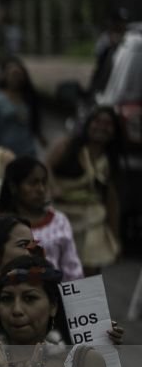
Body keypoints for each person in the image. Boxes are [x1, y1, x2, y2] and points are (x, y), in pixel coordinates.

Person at [0, 158, 83, 281]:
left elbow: (72, 270)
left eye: (43, 182)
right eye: (32, 183)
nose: (41, 189)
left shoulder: (59, 221)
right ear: (14, 187)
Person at [47, 106, 123, 274]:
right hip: (62, 213)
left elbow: (112, 201)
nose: (102, 127)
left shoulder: (109, 160)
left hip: (92, 216)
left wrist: (115, 238)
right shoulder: (67, 145)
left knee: (90, 267)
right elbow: (44, 167)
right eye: (97, 122)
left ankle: (87, 299)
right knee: (56, 267)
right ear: (88, 124)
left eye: (108, 124)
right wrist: (53, 187)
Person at [0, 58, 44, 158]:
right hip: (4, 153)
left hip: (28, 151)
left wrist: (40, 136)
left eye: (18, 75)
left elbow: (34, 121)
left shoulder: (28, 97)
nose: (15, 78)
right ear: (4, 76)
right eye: (12, 75)